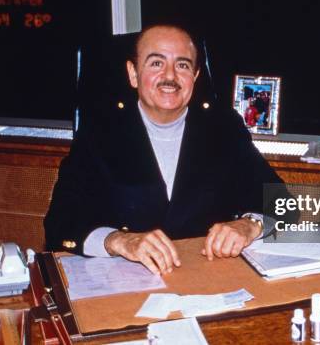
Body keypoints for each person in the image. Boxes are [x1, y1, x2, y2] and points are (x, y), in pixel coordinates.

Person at [44, 24, 285, 275]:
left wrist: (250, 225)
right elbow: (60, 223)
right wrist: (119, 241)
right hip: (125, 285)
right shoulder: (100, 132)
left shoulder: (223, 127)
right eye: (156, 63)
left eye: (182, 65)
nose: (170, 76)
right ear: (133, 73)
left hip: (209, 279)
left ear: (195, 75)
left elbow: (284, 202)